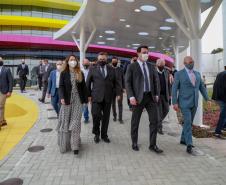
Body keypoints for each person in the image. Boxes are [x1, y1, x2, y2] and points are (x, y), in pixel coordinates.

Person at [125, 46, 162, 154]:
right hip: (137, 98)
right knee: (135, 121)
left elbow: (156, 81)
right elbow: (127, 82)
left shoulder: (151, 66)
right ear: (138, 54)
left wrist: (156, 94)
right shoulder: (132, 66)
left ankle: (153, 144)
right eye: (144, 52)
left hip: (150, 97)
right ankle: (134, 142)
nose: (146, 54)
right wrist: (131, 96)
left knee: (154, 121)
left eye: (147, 52)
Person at [172, 56, 211, 155]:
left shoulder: (197, 74)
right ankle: (189, 144)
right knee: (188, 122)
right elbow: (174, 89)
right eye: (189, 62)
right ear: (184, 63)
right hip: (184, 103)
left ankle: (183, 139)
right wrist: (174, 102)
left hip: (194, 102)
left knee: (188, 122)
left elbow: (202, 87)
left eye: (192, 62)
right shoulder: (179, 74)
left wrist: (207, 99)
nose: (191, 63)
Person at [86, 52, 121, 144]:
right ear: (98, 59)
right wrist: (88, 95)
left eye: (104, 59)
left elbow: (116, 82)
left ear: (106, 59)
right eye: (100, 59)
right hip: (96, 97)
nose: (102, 60)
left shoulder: (111, 69)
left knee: (106, 118)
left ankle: (104, 135)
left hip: (108, 97)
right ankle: (96, 133)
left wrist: (118, 93)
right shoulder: (92, 69)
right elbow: (88, 83)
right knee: (96, 115)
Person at [57, 55, 88, 155]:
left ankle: (75, 146)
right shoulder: (63, 73)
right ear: (67, 61)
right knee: (65, 122)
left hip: (78, 101)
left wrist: (86, 100)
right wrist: (61, 97)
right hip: (66, 100)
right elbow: (61, 86)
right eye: (71, 60)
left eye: (74, 60)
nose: (73, 61)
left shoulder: (80, 73)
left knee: (76, 122)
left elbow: (84, 88)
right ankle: (65, 144)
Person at [156, 59, 171, 135]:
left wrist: (170, 94)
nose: (162, 67)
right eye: (160, 66)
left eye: (163, 65)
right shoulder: (154, 73)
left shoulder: (166, 72)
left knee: (167, 110)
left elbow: (168, 84)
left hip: (165, 95)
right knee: (159, 112)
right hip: (157, 96)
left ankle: (157, 122)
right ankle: (159, 128)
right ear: (157, 65)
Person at [212, 69, 226, 139]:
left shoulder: (220, 74)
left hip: (217, 97)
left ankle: (224, 127)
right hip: (223, 98)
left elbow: (215, 85)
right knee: (223, 116)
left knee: (224, 114)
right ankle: (217, 132)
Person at [0, 57, 13, 130]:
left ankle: (0, 121)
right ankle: (3, 120)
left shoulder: (7, 70)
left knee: (0, 106)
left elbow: (10, 80)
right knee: (2, 106)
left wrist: (10, 91)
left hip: (4, 91)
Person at [111, 57, 125, 124]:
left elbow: (123, 79)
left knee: (120, 104)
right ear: (111, 62)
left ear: (117, 62)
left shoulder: (120, 69)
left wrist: (124, 88)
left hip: (119, 89)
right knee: (113, 104)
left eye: (115, 61)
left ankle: (120, 118)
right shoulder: (109, 69)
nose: (114, 62)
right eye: (113, 61)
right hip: (111, 90)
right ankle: (114, 116)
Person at [82, 58, 91, 123]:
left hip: (92, 90)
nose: (86, 64)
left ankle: (98, 115)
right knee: (85, 105)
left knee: (94, 104)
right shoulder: (80, 71)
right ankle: (86, 117)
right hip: (84, 90)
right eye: (84, 63)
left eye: (87, 63)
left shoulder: (92, 70)